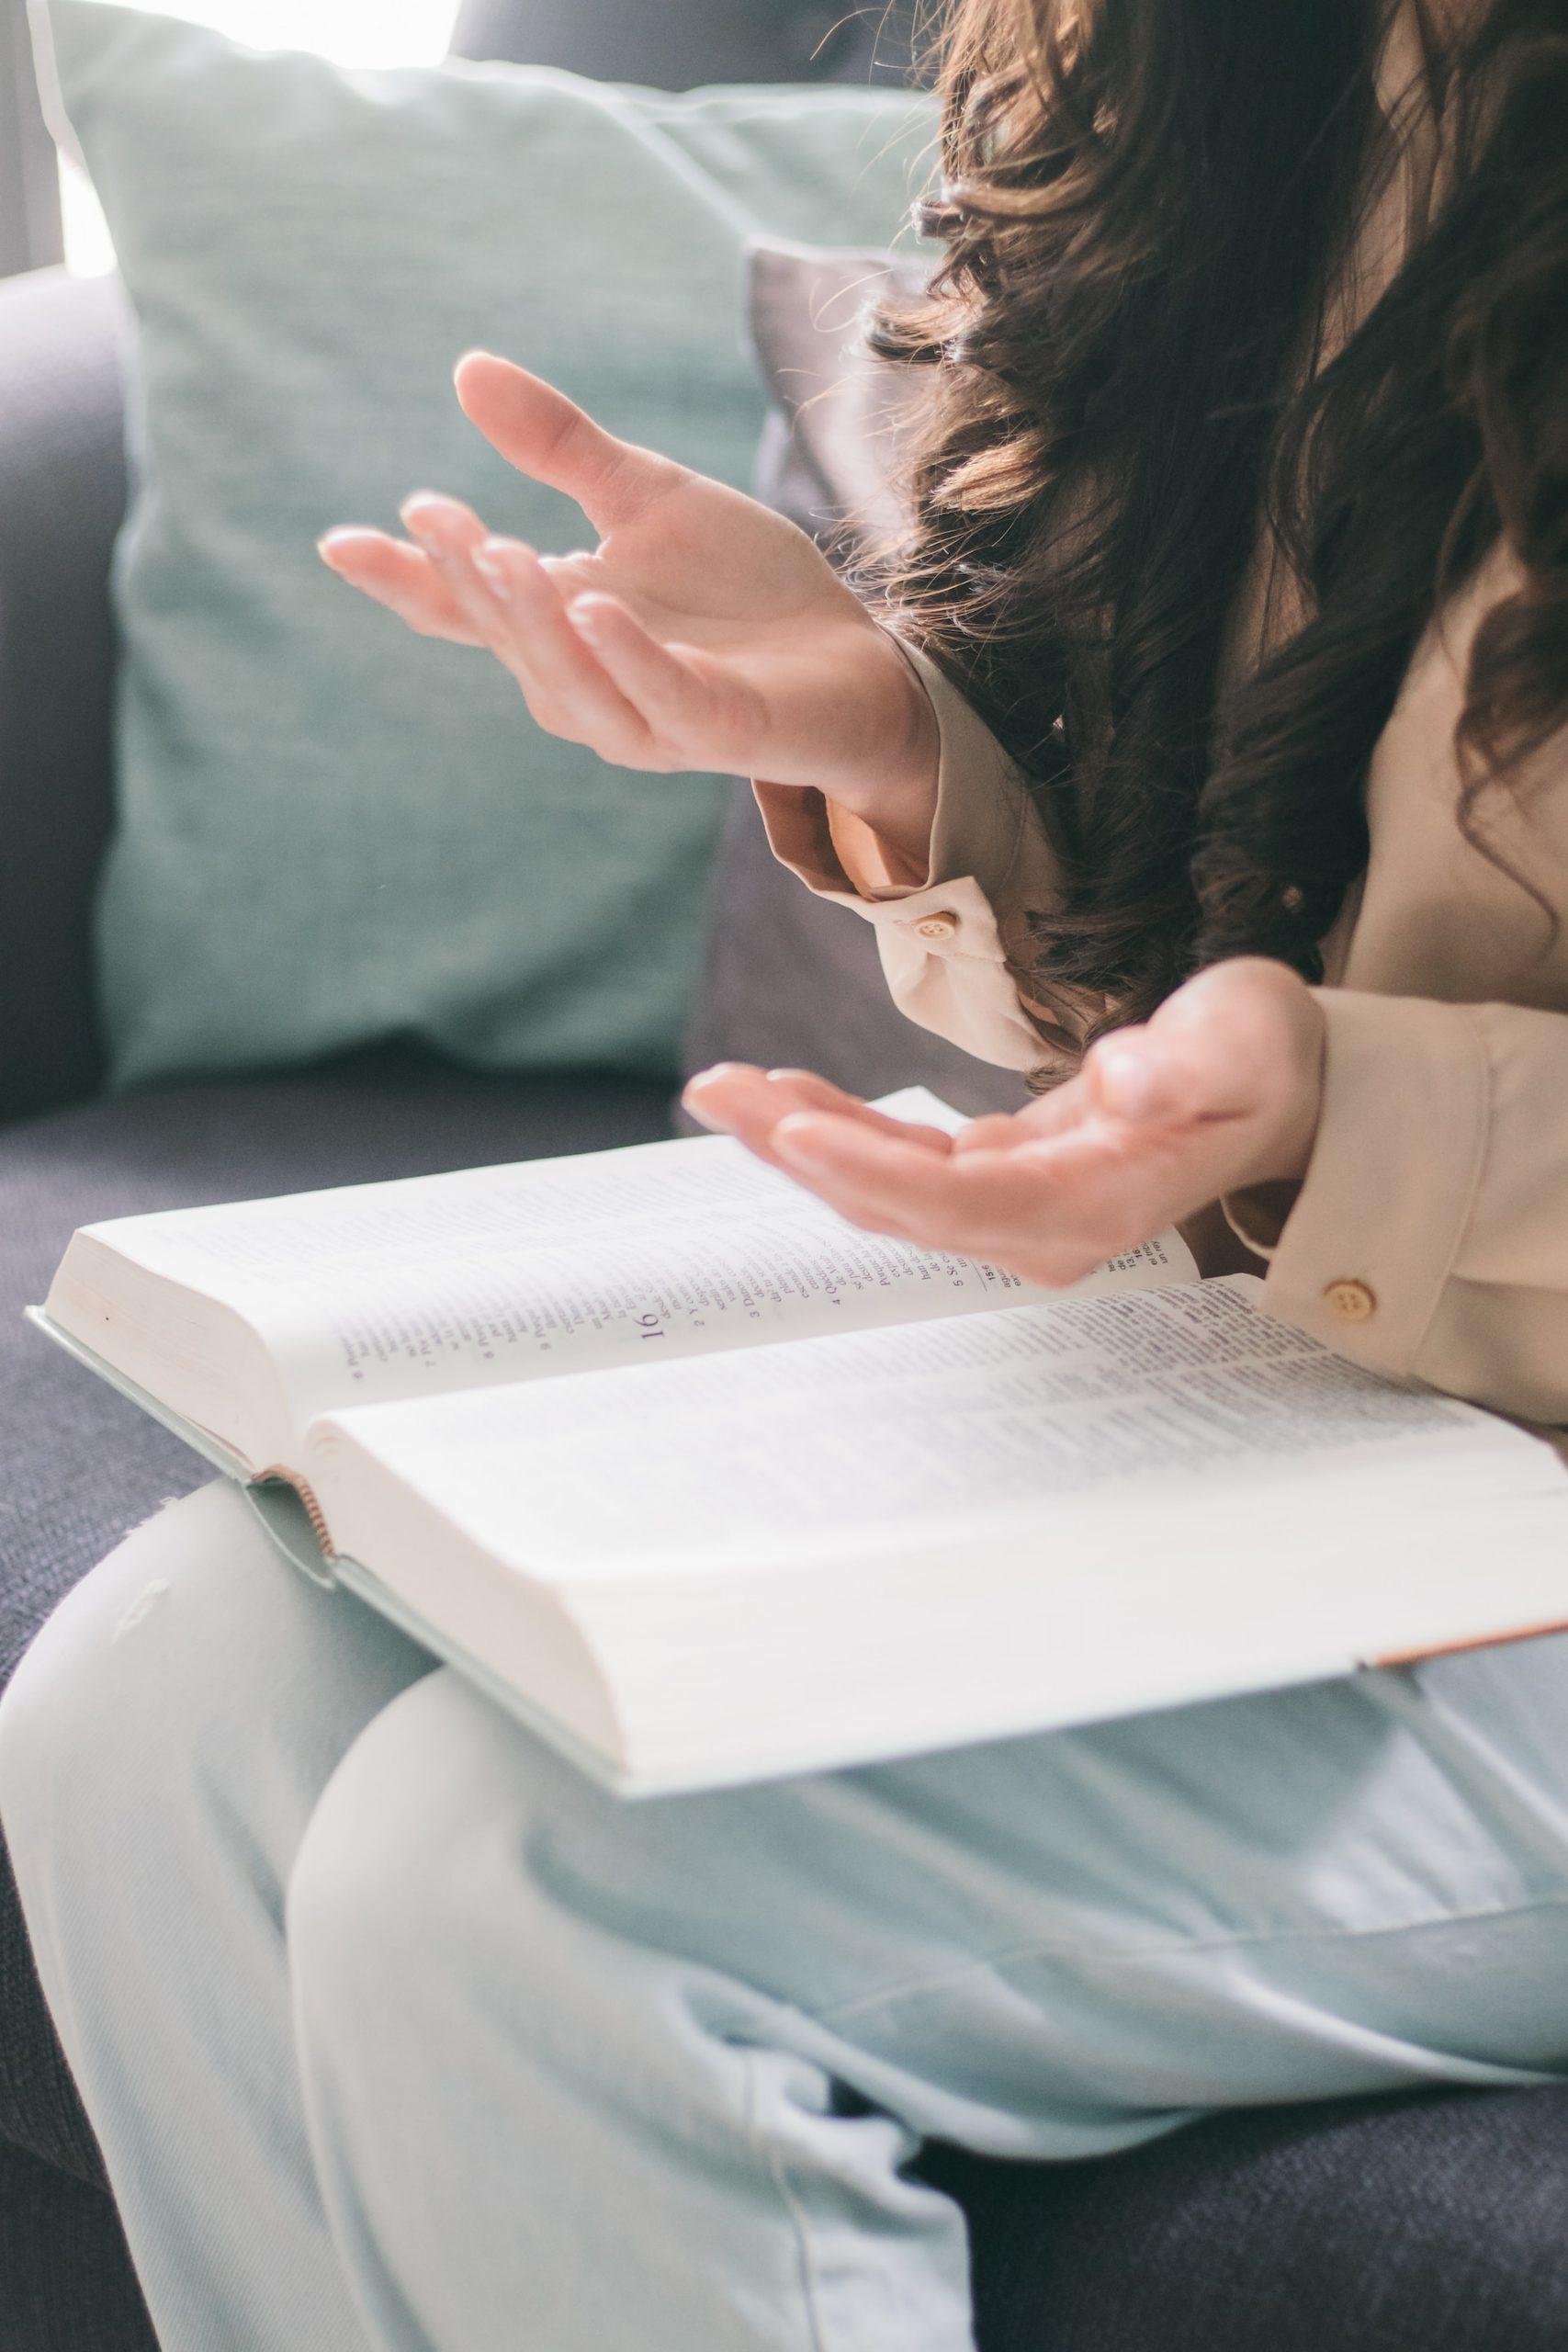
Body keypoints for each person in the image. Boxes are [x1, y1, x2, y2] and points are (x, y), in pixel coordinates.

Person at [4, 2, 1567, 2346]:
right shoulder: (1225, 77)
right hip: (1328, 1393)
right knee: (152, 1700)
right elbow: (1225, 874)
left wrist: (1356, 1111)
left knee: (523, 1901)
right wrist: (882, 726)